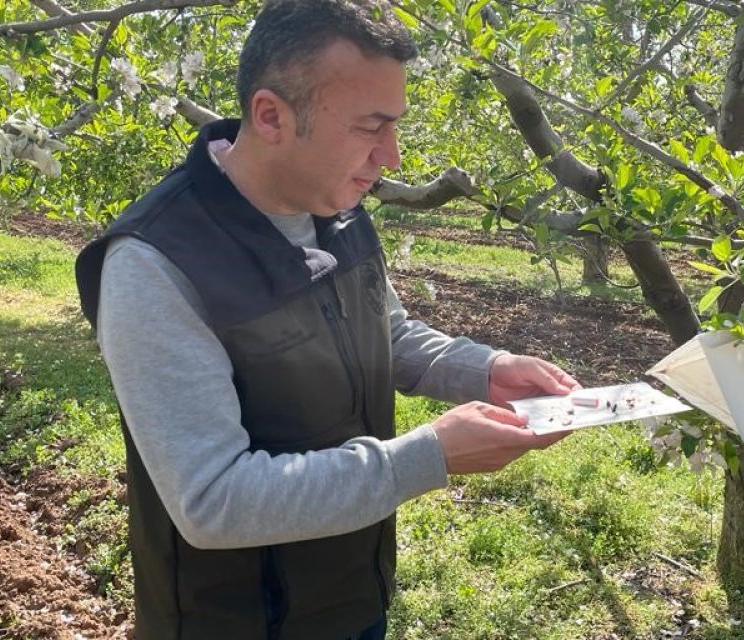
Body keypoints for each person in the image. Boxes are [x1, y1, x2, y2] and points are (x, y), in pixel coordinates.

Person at [73, 1, 579, 637]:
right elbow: (211, 499)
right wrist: (426, 457)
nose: (391, 158)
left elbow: (384, 331)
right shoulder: (158, 264)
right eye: (371, 127)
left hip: (349, 597)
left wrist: (486, 369)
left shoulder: (334, 206)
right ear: (271, 116)